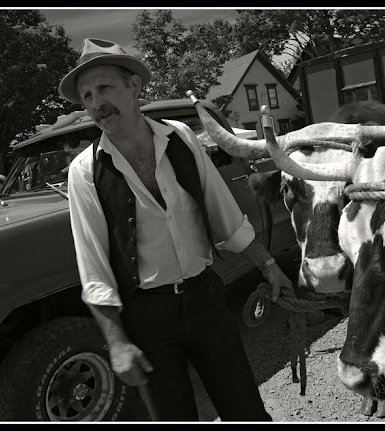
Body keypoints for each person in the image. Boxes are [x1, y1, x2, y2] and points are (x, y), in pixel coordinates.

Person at [59, 38, 293, 422]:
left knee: (246, 411)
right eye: (86, 96)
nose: (95, 103)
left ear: (134, 86)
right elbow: (94, 268)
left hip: (205, 300)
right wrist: (117, 341)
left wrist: (268, 266)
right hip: (145, 317)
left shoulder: (181, 138)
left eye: (104, 88)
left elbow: (225, 215)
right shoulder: (85, 172)